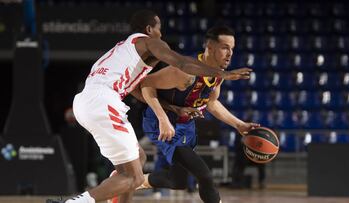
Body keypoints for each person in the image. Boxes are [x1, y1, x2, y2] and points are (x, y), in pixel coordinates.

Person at [46, 10, 251, 203]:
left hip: (86, 102)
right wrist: (225, 74)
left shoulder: (123, 51)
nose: (161, 34)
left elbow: (135, 88)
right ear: (149, 30)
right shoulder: (149, 42)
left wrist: (173, 108)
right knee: (133, 177)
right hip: (104, 102)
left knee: (138, 159)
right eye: (159, 28)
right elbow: (182, 63)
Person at [109, 25, 260, 203]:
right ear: (209, 47)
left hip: (185, 126)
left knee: (177, 181)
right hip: (162, 123)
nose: (230, 53)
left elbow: (211, 103)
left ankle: (134, 181)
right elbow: (145, 84)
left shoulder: (218, 74)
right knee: (204, 175)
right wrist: (162, 117)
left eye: (232, 49)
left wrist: (239, 124)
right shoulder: (184, 72)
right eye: (225, 48)